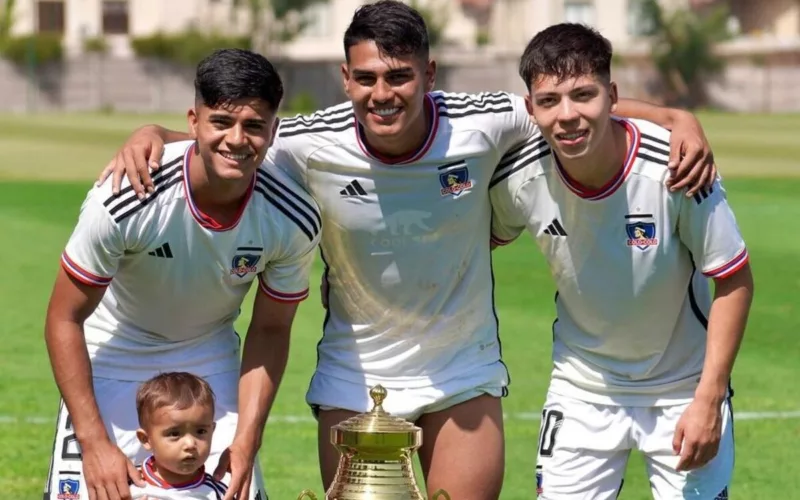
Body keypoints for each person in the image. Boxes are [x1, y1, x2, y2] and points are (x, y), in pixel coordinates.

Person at [95, 2, 719, 498]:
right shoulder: (310, 142)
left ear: (429, 75)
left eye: (399, 76)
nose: (382, 93)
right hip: (354, 371)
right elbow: (230, 139)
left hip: (462, 370)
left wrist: (673, 115)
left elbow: (573, 106)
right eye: (365, 78)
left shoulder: (482, 122)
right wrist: (154, 133)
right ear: (346, 80)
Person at [489, 23, 754, 499]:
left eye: (583, 95)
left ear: (612, 95)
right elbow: (468, 242)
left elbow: (734, 280)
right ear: (531, 109)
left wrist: (710, 398)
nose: (567, 116)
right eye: (549, 101)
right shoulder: (521, 176)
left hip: (682, 389)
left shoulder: (677, 168)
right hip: (582, 389)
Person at [44, 48, 321, 500]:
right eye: (221, 122)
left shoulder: (292, 217)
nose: (237, 139)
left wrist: (247, 437)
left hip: (208, 356)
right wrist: (94, 442)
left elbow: (271, 328)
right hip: (113, 353)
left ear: (273, 130)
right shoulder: (124, 196)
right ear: (194, 121)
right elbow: (63, 319)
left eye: (254, 126)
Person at [129, 372, 228, 499]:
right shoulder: (128, 482)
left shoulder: (216, 492)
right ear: (146, 439)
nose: (190, 444)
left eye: (201, 431)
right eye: (175, 434)